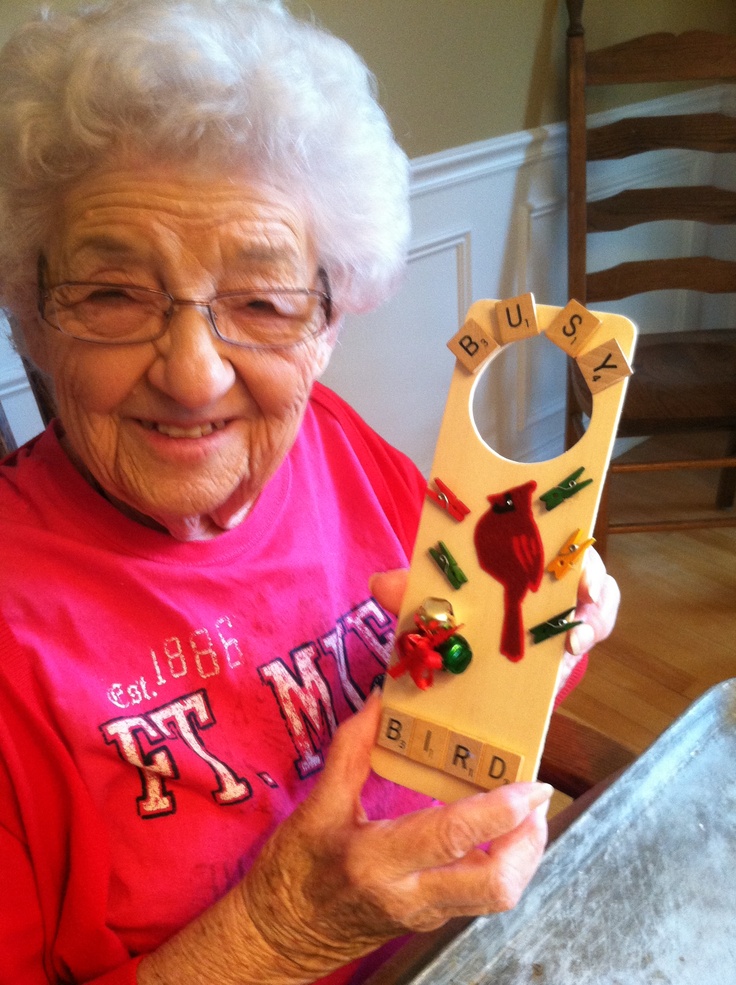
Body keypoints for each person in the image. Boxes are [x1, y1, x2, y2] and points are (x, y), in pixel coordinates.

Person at [0, 2, 620, 983]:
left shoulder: (335, 445)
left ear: (330, 320)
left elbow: (468, 676)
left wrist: (540, 629)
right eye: (113, 293)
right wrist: (278, 932)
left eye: (262, 302)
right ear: (34, 315)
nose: (195, 373)